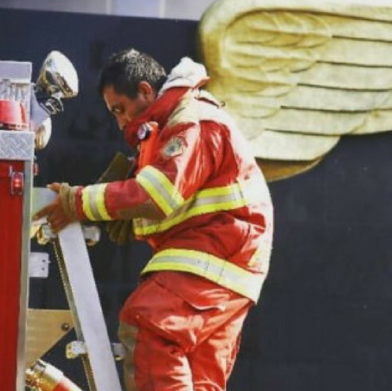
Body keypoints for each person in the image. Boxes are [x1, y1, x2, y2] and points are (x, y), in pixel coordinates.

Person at [34, 49, 274, 391]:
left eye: (120, 109)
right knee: (199, 376)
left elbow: (157, 195)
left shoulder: (192, 122)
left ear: (146, 91)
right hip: (229, 264)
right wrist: (122, 212)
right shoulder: (179, 123)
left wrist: (79, 202)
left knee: (149, 325)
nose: (119, 122)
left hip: (213, 256)